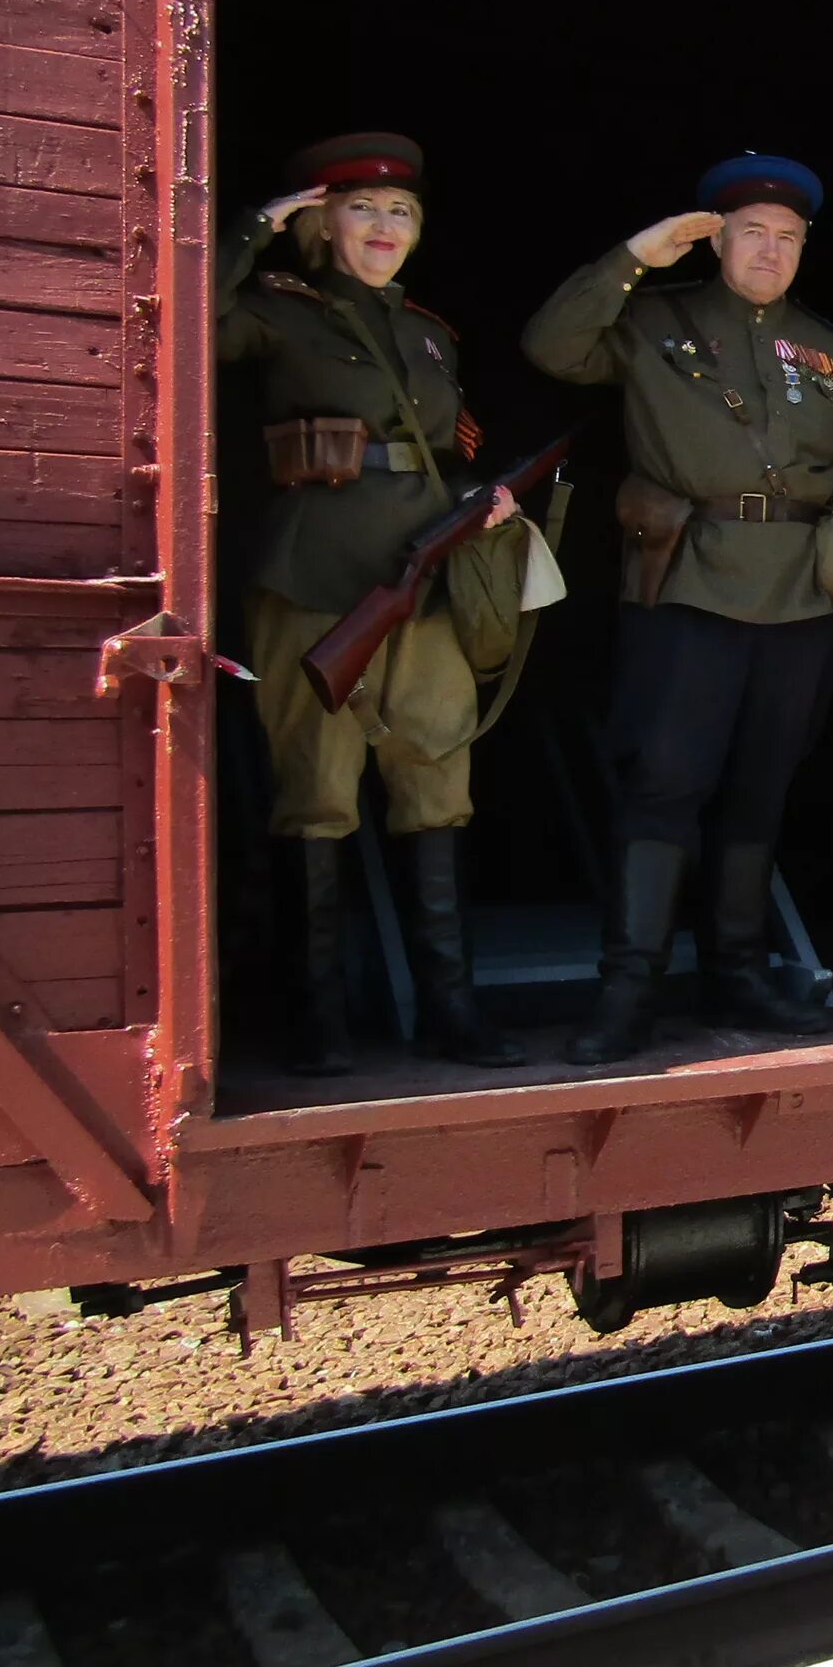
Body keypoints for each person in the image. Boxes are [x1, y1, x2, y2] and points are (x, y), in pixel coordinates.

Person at [524, 154, 833, 1059]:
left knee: (761, 790)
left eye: (788, 238)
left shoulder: (831, 351)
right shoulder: (654, 319)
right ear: (716, 239)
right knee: (664, 786)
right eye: (753, 232)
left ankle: (738, 977)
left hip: (799, 593)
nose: (770, 250)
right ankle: (628, 989)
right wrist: (633, 257)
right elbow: (552, 346)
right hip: (689, 582)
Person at [216, 132, 526, 1075]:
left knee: (437, 782)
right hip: (319, 575)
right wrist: (246, 233)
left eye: (400, 213)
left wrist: (485, 500)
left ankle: (452, 1011)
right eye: (361, 209)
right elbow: (181, 324)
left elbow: (440, 444)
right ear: (320, 223)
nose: (384, 226)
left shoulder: (429, 332)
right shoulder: (277, 308)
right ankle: (318, 1020)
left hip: (420, 578)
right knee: (316, 794)